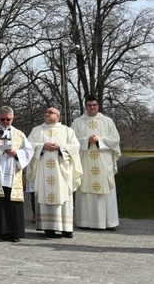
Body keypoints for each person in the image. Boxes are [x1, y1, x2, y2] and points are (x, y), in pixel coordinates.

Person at [0, 106, 33, 242]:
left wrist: (16, 153)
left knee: (12, 204)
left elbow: (29, 151)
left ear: (12, 118)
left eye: (8, 119)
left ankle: (13, 233)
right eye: (2, 119)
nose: (5, 121)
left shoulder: (19, 134)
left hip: (12, 173)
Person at [27, 107, 82, 239]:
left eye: (50, 113)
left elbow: (75, 146)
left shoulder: (67, 131)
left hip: (61, 171)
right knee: (45, 195)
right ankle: (48, 228)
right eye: (46, 112)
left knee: (64, 196)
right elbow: (28, 146)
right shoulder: (37, 130)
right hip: (43, 170)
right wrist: (42, 146)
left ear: (58, 116)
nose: (47, 114)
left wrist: (60, 147)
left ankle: (66, 228)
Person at [71, 96, 122, 230]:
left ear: (98, 106)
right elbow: (71, 142)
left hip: (103, 162)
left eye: (94, 105)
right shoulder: (77, 122)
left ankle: (109, 222)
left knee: (106, 191)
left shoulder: (107, 121)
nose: (92, 107)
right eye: (89, 105)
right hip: (85, 162)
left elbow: (115, 140)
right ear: (85, 106)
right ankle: (85, 222)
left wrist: (99, 139)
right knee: (85, 190)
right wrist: (86, 140)